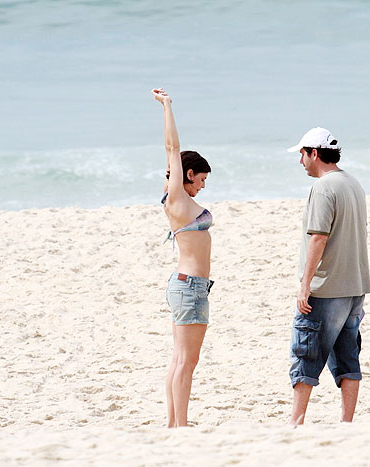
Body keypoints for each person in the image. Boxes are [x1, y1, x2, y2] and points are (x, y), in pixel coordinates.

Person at [286, 127, 370, 425]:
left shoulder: (323, 188)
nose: (301, 162)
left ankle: (296, 423)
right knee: (348, 356)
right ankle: (346, 423)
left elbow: (318, 238)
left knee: (306, 354)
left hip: (326, 288)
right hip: (354, 286)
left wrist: (305, 285)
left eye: (302, 155)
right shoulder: (353, 183)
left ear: (314, 153)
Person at [152, 88, 213, 428]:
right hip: (190, 286)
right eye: (201, 179)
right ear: (188, 174)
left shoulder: (178, 199)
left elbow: (172, 156)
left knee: (179, 360)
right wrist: (167, 106)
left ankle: (174, 424)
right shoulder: (176, 197)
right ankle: (181, 425)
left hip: (188, 285)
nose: (203, 186)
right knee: (187, 361)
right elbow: (172, 148)